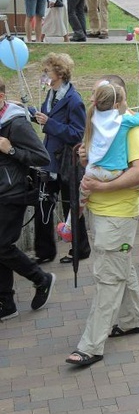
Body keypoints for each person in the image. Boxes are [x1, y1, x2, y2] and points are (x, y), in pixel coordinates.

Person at [64, 76, 139, 367]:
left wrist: (102, 187)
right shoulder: (100, 122)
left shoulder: (132, 128)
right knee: (118, 267)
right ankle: (133, 320)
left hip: (118, 213)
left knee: (108, 277)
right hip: (100, 211)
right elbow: (97, 164)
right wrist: (84, 158)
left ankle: (91, 345)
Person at [56, 84, 139, 245]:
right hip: (113, 172)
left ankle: (68, 227)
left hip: (93, 170)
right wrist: (131, 111)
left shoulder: (93, 118)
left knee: (80, 195)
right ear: (118, 105)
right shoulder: (123, 120)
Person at [0, 76, 55, 322]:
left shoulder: (15, 124)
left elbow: (41, 157)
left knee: (2, 246)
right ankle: (7, 303)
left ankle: (40, 278)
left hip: (12, 194)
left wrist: (10, 150)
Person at [32, 53, 90, 265]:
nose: (45, 74)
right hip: (49, 161)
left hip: (67, 163)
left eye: (48, 70)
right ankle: (44, 251)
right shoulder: (51, 93)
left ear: (59, 73)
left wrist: (49, 123)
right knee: (43, 205)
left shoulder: (74, 100)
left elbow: (76, 133)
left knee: (71, 207)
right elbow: (48, 119)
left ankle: (81, 248)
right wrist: (32, 114)